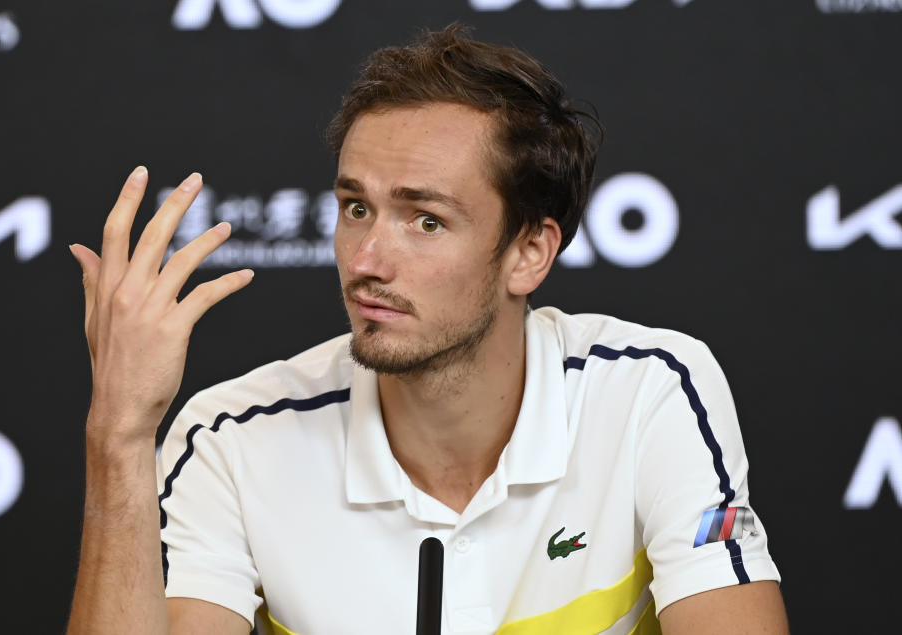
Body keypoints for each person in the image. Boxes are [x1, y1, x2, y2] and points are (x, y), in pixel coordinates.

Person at [66, 25, 788, 635]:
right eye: (356, 208)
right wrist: (120, 437)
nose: (367, 260)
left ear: (528, 252)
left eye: (426, 219)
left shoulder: (648, 391)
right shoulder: (229, 436)